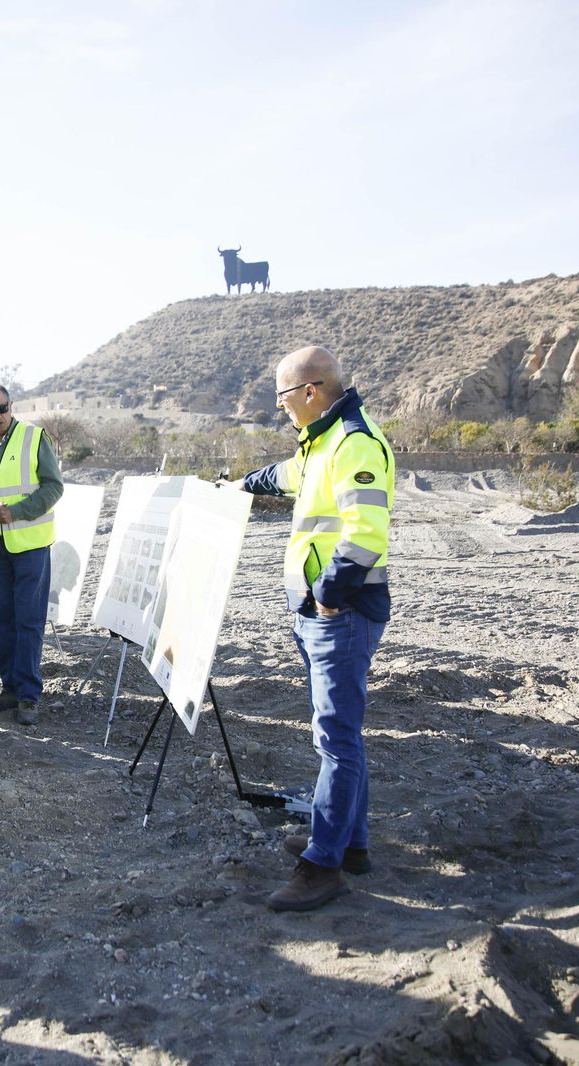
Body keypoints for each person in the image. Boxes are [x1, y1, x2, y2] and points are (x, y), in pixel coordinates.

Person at [224, 345, 394, 913]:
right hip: (321, 612)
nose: (281, 409)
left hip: (340, 614)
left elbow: (366, 534)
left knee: (335, 741)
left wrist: (327, 596)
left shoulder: (354, 444)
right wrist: (244, 485)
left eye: (283, 397)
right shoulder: (321, 441)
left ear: (312, 391)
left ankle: (322, 865)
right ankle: (352, 846)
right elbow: (287, 474)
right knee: (341, 734)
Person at [0, 384, 63, 726]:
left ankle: (29, 696)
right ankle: (10, 689)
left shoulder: (34, 438)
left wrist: (17, 511)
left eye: (2, 408)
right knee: (2, 621)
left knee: (29, 622)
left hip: (31, 546)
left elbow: (53, 486)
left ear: (11, 405)